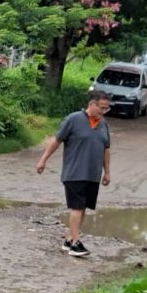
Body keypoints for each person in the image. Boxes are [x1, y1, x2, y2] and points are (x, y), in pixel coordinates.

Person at [35, 91, 112, 257]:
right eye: (101, 108)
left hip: (93, 174)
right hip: (74, 172)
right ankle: (75, 244)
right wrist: (43, 160)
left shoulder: (103, 125)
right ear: (92, 104)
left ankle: (69, 239)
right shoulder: (73, 119)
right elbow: (57, 140)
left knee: (83, 207)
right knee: (77, 206)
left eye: (107, 109)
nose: (103, 112)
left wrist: (107, 172)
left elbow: (106, 149)